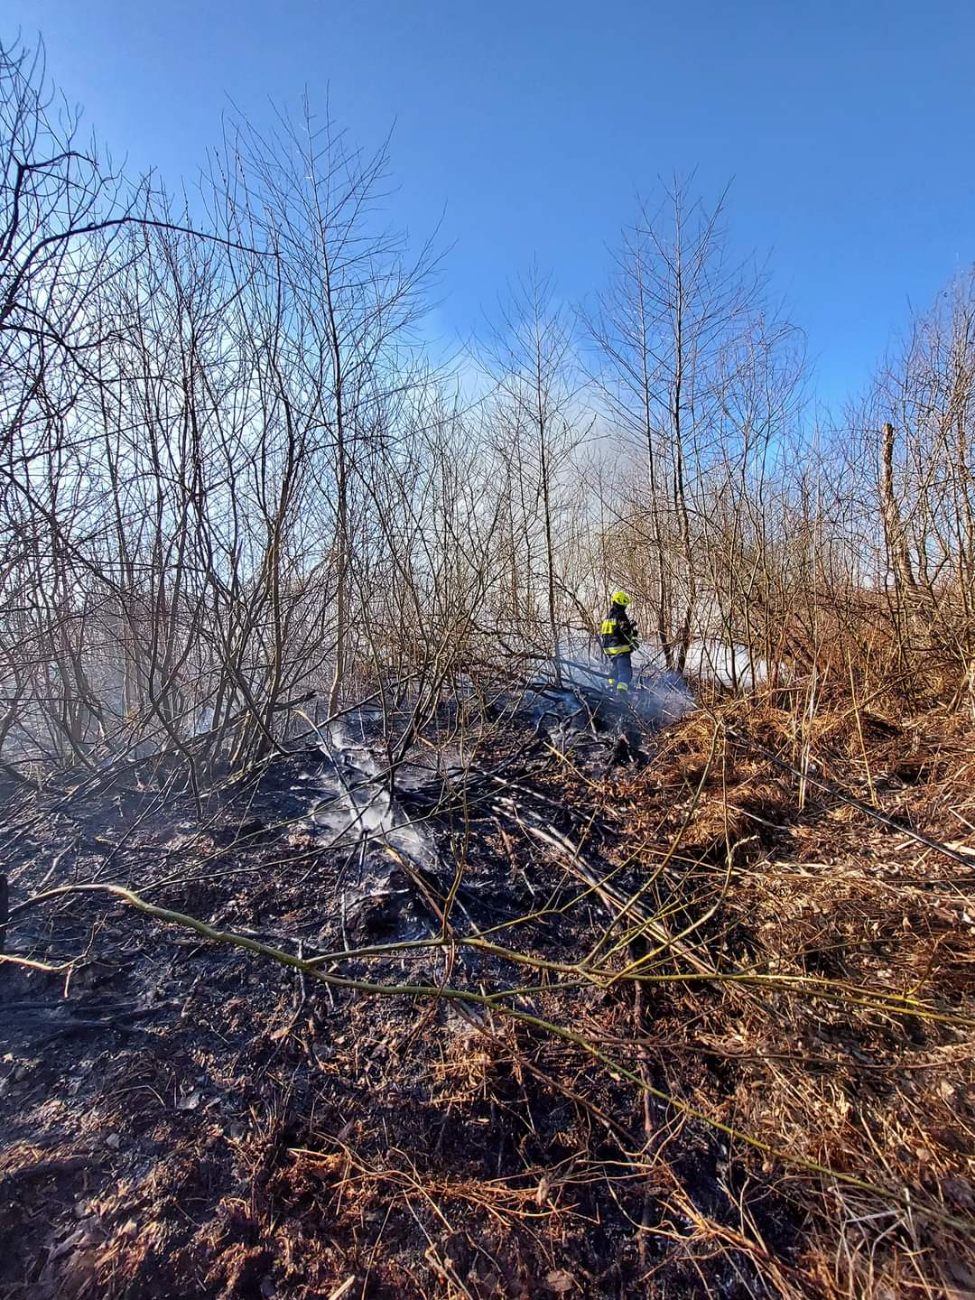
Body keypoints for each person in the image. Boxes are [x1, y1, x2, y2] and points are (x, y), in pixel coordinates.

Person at [600, 590, 638, 693]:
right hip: (620, 648)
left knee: (616, 669)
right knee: (625, 671)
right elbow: (625, 630)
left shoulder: (608, 617)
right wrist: (634, 635)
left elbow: (612, 632)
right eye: (625, 604)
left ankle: (612, 687)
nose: (625, 607)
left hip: (608, 649)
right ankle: (622, 693)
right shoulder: (621, 615)